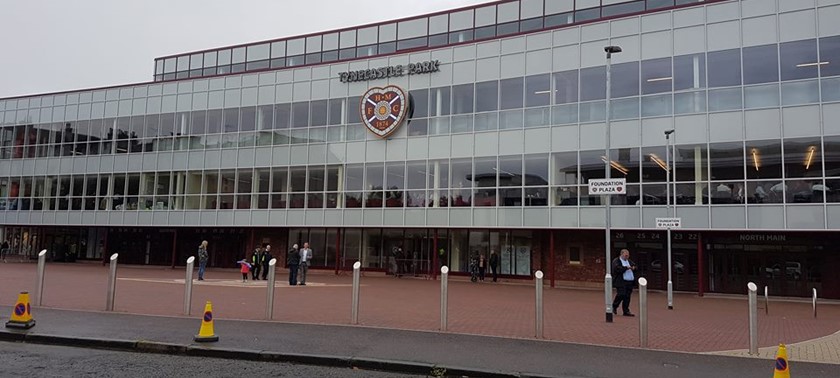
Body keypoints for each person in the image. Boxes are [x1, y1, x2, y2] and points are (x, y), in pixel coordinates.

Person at [611, 249, 637, 317]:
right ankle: (614, 306)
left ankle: (626, 311)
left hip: (629, 282)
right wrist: (626, 268)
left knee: (627, 297)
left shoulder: (629, 261)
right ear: (621, 254)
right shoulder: (616, 261)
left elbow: (635, 266)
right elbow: (617, 269)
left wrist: (634, 268)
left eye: (628, 255)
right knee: (621, 294)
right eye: (625, 255)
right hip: (621, 282)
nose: (627, 257)